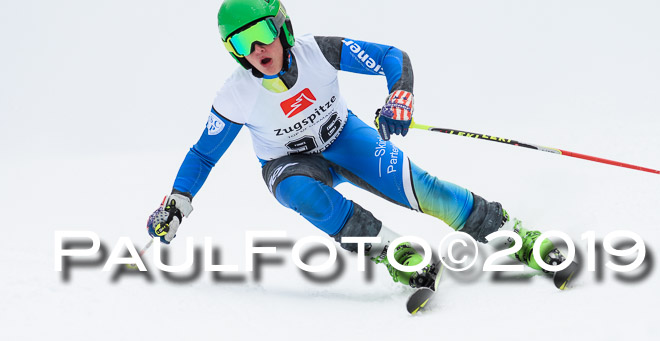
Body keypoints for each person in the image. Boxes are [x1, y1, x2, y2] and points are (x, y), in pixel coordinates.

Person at [147, 0, 571, 289]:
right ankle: (397, 254)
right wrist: (176, 203)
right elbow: (204, 153)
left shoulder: (319, 52)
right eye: (241, 43)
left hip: (345, 138)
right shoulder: (235, 95)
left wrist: (398, 94)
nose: (256, 49)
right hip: (289, 163)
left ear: (282, 27)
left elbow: (391, 56)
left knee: (423, 189)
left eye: (260, 33)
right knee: (300, 194)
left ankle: (512, 235)